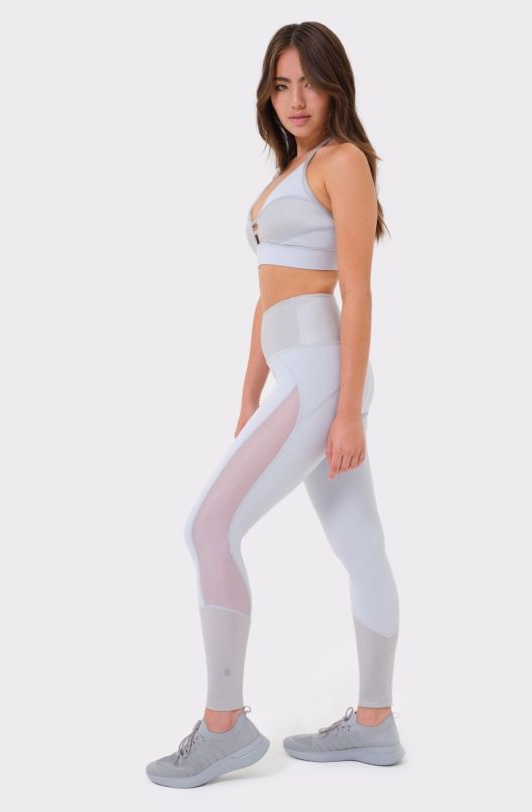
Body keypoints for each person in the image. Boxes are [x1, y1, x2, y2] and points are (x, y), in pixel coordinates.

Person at [146, 21, 404, 789]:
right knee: (359, 541)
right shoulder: (290, 169)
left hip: (323, 373)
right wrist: (249, 392)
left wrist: (347, 409)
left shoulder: (343, 160)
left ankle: (223, 726)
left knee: (209, 526)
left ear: (335, 87)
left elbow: (357, 291)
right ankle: (375, 723)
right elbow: (267, 295)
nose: (296, 99)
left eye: (310, 83)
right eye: (282, 84)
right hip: (296, 373)